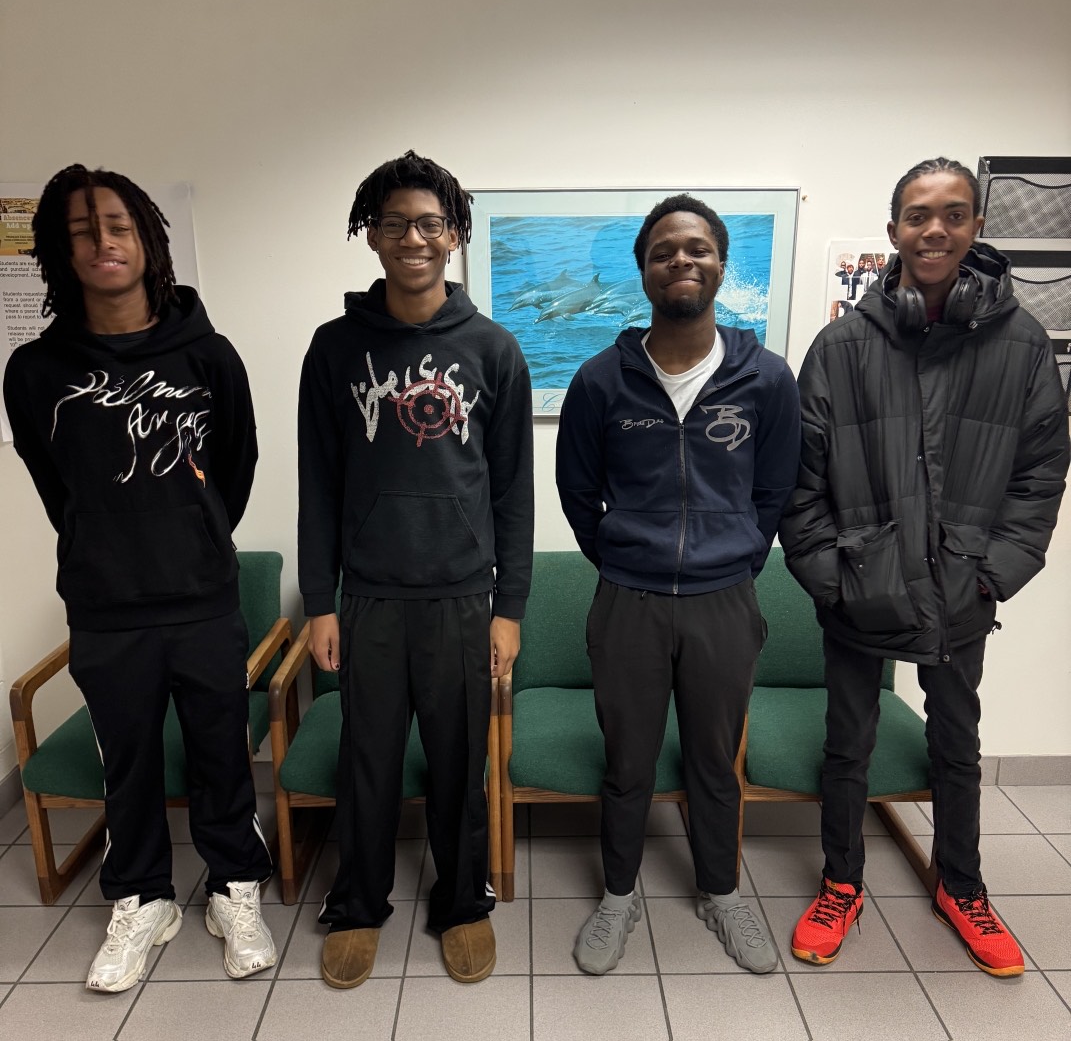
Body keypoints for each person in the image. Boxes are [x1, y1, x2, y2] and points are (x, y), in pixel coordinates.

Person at [780, 157, 1069, 977]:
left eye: (950, 213)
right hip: (856, 590)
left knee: (956, 744)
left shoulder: (1019, 347)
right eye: (916, 215)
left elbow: (1040, 473)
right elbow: (798, 484)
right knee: (848, 746)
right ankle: (841, 882)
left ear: (976, 225)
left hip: (962, 589)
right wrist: (833, 576)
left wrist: (991, 572)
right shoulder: (839, 346)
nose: (933, 229)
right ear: (893, 232)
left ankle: (963, 887)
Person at [3, 164, 274, 992]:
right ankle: (143, 898)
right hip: (106, 606)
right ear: (60, 248)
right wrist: (106, 545)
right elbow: (58, 489)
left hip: (201, 599)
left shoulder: (209, 355)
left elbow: (237, 461)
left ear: (147, 239)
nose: (103, 243)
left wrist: (191, 536)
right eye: (83, 230)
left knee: (221, 755)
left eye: (118, 226)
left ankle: (234, 889)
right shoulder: (33, 370)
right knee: (128, 763)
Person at [298, 150, 534, 988]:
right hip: (366, 599)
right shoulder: (333, 350)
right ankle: (357, 904)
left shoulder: (493, 349)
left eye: (429, 223)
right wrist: (319, 603)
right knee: (365, 759)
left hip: (464, 597)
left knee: (458, 760)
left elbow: (512, 490)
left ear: (454, 235)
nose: (412, 237)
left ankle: (462, 902)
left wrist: (510, 607)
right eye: (394, 222)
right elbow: (317, 485)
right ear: (371, 235)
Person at [555, 194, 801, 975]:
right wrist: (626, 559)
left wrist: (732, 561)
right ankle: (618, 896)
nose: (681, 261)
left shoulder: (765, 378)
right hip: (625, 601)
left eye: (696, 248)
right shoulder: (600, 381)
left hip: (724, 602)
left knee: (712, 761)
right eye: (664, 250)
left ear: (721, 265)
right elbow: (576, 493)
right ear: (643, 270)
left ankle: (722, 894)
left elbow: (775, 491)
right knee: (626, 762)